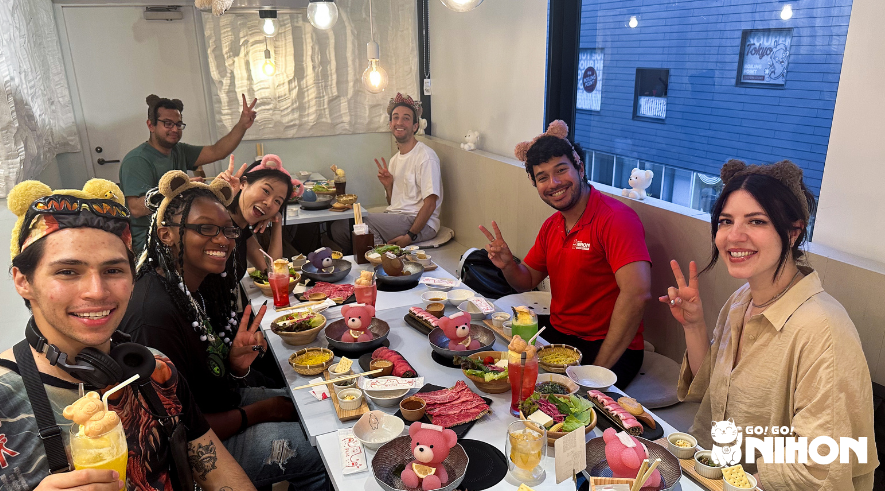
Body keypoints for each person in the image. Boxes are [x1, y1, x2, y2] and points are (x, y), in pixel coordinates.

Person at [0, 178, 255, 490]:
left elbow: (217, 468)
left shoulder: (155, 369)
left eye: (113, 270)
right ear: (23, 281)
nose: (96, 291)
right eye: (68, 272)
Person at [661, 159, 877, 489]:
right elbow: (714, 394)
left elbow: (821, 467)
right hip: (724, 472)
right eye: (725, 221)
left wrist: (730, 484)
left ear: (793, 231)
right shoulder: (741, 301)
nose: (734, 236)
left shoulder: (825, 330)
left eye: (756, 221)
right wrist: (693, 325)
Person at [119, 171, 329, 491]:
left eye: (227, 230)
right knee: (323, 451)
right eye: (206, 228)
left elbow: (204, 378)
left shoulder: (192, 287)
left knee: (314, 404)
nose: (223, 239)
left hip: (222, 407)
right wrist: (261, 411)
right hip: (198, 455)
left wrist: (234, 365)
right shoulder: (153, 317)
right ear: (166, 235)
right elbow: (180, 429)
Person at [478, 120, 652, 388]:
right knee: (498, 371)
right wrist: (508, 264)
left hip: (609, 347)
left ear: (579, 168)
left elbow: (637, 294)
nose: (554, 183)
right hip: (560, 335)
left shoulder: (616, 219)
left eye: (561, 170)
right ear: (535, 184)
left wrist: (596, 372)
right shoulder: (552, 226)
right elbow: (526, 280)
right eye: (542, 177)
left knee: (556, 403)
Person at [120, 93, 259, 256]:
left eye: (179, 124)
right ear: (151, 125)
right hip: (150, 244)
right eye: (168, 123)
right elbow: (136, 208)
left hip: (179, 233)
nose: (174, 129)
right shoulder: (137, 160)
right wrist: (179, 192)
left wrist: (242, 124)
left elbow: (217, 151)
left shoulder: (179, 150)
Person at [333, 92, 442, 249]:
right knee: (339, 228)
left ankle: (383, 262)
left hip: (420, 223)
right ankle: (371, 260)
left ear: (415, 126)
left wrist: (409, 237)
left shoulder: (425, 157)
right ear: (390, 124)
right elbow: (394, 203)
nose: (400, 122)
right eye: (395, 117)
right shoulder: (394, 160)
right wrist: (388, 186)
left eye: (406, 118)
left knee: (362, 223)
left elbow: (430, 204)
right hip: (396, 218)